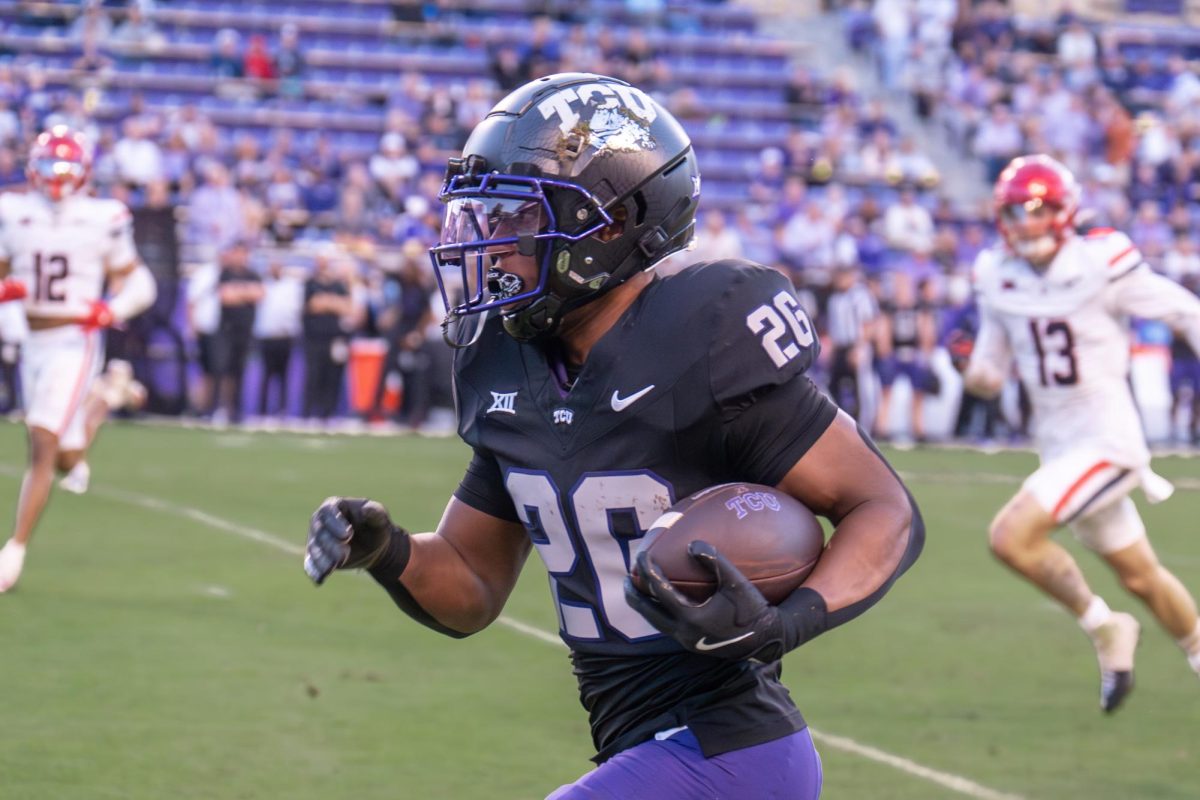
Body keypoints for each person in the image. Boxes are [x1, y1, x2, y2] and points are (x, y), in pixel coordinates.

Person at [304, 73, 924, 798]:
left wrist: (789, 622)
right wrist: (389, 551)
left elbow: (882, 508)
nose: (489, 246)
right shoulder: (507, 363)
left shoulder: (702, 338)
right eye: (484, 219)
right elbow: (472, 583)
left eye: (513, 221)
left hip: (733, 750)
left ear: (606, 226)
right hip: (642, 748)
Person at [964, 154, 1200, 713]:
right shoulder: (997, 274)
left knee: (1010, 536)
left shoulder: (1100, 261)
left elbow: (1185, 311)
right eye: (1015, 211)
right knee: (1141, 577)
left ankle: (1104, 627)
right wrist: (978, 375)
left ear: (1065, 210)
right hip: (1059, 446)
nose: (1026, 221)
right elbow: (989, 366)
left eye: (1038, 208)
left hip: (1108, 440)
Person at [0, 126, 156, 592]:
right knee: (67, 458)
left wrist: (112, 309)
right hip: (33, 342)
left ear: (85, 172)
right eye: (50, 165)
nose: (57, 177)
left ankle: (15, 549)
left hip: (75, 339)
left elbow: (140, 283)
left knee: (41, 439)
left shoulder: (101, 217)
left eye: (66, 167)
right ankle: (107, 397)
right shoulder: (13, 211)